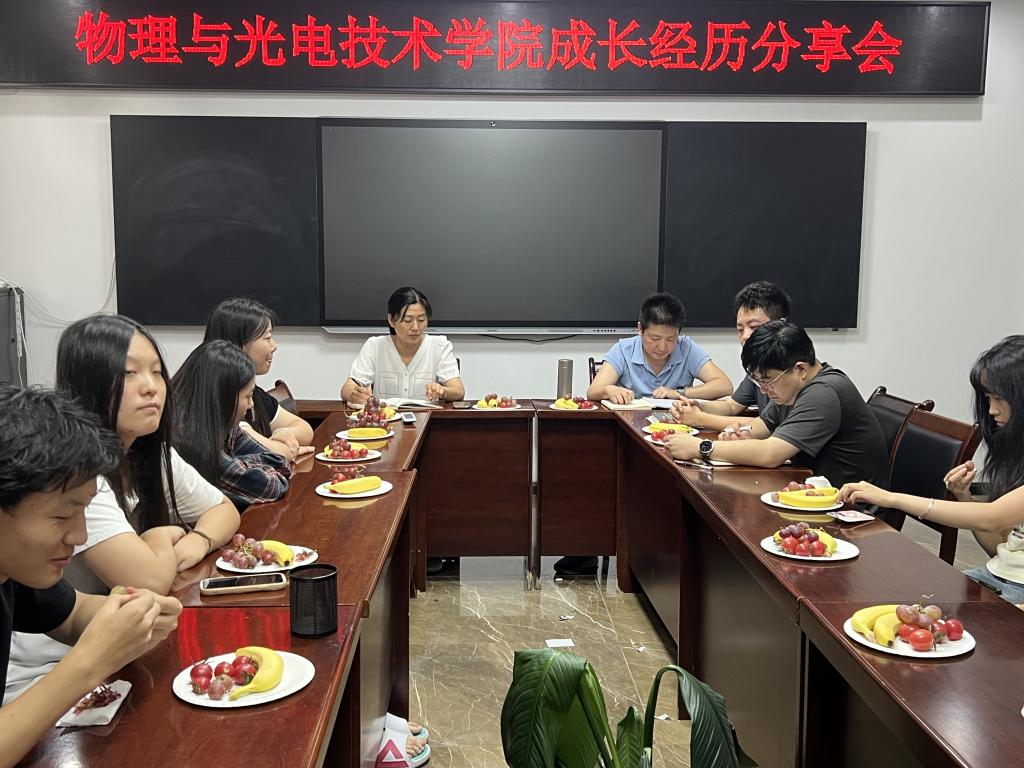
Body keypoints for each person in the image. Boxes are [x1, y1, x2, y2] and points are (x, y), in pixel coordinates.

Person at [5, 315, 240, 702]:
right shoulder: (77, 478)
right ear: (89, 383)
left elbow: (223, 510)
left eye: (157, 372)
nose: (152, 387)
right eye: (130, 374)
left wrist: (190, 545)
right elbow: (147, 580)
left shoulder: (149, 455)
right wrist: (158, 538)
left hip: (101, 658)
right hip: (44, 674)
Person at [0, 384, 182, 764]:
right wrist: (89, 663)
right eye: (62, 515)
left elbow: (73, 614)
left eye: (83, 511)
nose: (80, 535)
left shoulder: (13, 571)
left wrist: (134, 614)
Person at [838, 336, 1024, 606]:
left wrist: (890, 498)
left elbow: (991, 518)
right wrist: (964, 497)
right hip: (995, 578)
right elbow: (1002, 548)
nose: (992, 410)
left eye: (999, 398)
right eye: (988, 398)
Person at [666, 320, 888, 487]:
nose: (764, 390)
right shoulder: (792, 387)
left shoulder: (823, 392)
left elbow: (771, 454)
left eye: (767, 381)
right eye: (758, 382)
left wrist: (700, 447)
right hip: (813, 491)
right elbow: (761, 426)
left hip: (851, 512)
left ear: (800, 369)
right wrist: (741, 436)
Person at [172, 340, 291, 511]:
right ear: (224, 397)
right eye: (247, 396)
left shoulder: (223, 424)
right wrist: (244, 464)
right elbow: (270, 486)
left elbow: (279, 461)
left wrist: (238, 462)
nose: (251, 404)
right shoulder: (191, 441)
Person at [204, 298, 315, 463]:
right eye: (267, 338)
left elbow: (305, 431)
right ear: (238, 343)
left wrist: (283, 433)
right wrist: (280, 447)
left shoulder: (255, 394)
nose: (274, 346)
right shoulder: (221, 399)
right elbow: (276, 453)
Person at [671, 281, 791, 431]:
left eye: (754, 327)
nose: (745, 336)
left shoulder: (792, 371)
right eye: (740, 329)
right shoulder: (757, 367)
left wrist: (699, 418)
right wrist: (698, 406)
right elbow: (732, 405)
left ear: (781, 324)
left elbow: (765, 426)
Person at [586, 292, 732, 405]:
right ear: (640, 329)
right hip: (629, 425)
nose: (662, 347)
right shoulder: (623, 350)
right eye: (655, 338)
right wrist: (609, 390)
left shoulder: (686, 348)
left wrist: (680, 393)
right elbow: (593, 391)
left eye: (671, 339)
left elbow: (724, 386)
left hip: (676, 426)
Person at [340, 287, 465, 404]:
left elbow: (458, 391)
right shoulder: (375, 346)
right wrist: (354, 395)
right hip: (386, 418)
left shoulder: (439, 346)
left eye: (421, 320)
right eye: (407, 320)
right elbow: (347, 388)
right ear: (391, 320)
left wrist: (443, 391)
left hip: (427, 418)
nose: (416, 327)